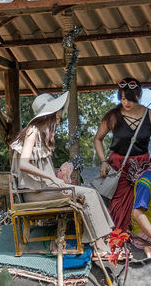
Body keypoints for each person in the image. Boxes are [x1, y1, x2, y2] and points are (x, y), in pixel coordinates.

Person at [10, 92, 115, 256]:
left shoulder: (40, 135)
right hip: (36, 194)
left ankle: (100, 238)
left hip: (43, 190)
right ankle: (99, 243)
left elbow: (39, 168)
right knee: (89, 193)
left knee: (87, 192)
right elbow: (23, 164)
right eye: (57, 119)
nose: (58, 122)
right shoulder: (32, 131)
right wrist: (51, 178)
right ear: (47, 116)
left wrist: (58, 174)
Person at [92, 78, 151, 231]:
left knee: (142, 203)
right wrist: (103, 161)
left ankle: (142, 237)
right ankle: (119, 238)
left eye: (131, 99)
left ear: (139, 95)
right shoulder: (112, 116)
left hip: (143, 166)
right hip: (118, 167)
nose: (126, 103)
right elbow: (97, 139)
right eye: (123, 98)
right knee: (117, 206)